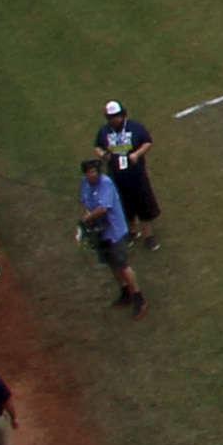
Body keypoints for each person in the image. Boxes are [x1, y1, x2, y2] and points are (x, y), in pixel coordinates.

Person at [78, 157, 146, 314]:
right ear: (85, 173)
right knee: (111, 263)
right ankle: (125, 292)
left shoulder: (105, 183)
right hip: (99, 232)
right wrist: (87, 216)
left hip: (113, 232)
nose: (93, 175)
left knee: (122, 265)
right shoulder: (84, 183)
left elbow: (103, 209)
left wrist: (85, 220)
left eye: (95, 171)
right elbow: (84, 201)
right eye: (90, 172)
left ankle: (139, 298)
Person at [96, 103, 164, 250]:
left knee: (142, 204)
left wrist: (137, 154)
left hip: (136, 175)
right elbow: (97, 146)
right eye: (111, 117)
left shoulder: (134, 127)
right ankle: (131, 232)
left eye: (117, 116)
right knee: (123, 204)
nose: (115, 120)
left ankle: (148, 235)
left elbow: (147, 142)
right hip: (116, 176)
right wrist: (103, 154)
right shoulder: (104, 131)